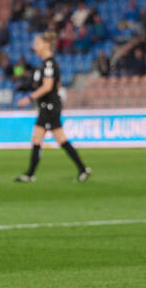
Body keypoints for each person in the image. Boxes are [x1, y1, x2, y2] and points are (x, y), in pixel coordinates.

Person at [15, 31, 91, 183]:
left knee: (53, 139)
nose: (34, 47)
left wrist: (28, 98)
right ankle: (82, 169)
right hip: (46, 106)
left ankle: (31, 174)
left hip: (50, 107)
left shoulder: (49, 64)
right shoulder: (43, 65)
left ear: (46, 45)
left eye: (37, 44)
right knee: (47, 139)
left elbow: (48, 86)